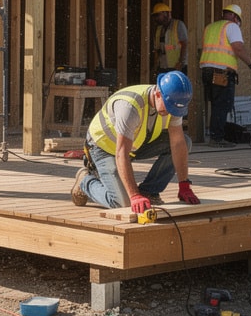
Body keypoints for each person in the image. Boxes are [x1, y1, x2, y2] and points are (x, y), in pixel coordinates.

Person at [70, 71, 201, 213]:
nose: (171, 112)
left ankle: (148, 191)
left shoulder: (172, 102)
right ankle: (85, 181)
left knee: (185, 142)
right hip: (104, 148)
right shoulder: (130, 107)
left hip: (135, 143)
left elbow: (178, 143)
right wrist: (134, 195)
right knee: (122, 202)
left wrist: (184, 185)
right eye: (169, 108)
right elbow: (121, 154)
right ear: (157, 94)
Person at [197, 3, 251, 147]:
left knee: (216, 103)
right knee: (222, 104)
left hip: (207, 70)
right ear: (235, 17)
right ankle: (217, 138)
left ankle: (215, 134)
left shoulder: (210, 27)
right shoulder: (232, 27)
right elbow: (238, 48)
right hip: (221, 72)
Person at [151, 2, 188, 77]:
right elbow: (157, 49)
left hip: (176, 66)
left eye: (158, 15)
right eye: (155, 16)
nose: (156, 18)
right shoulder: (159, 29)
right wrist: (155, 65)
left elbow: (185, 44)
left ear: (165, 14)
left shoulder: (178, 25)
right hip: (163, 66)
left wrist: (180, 62)